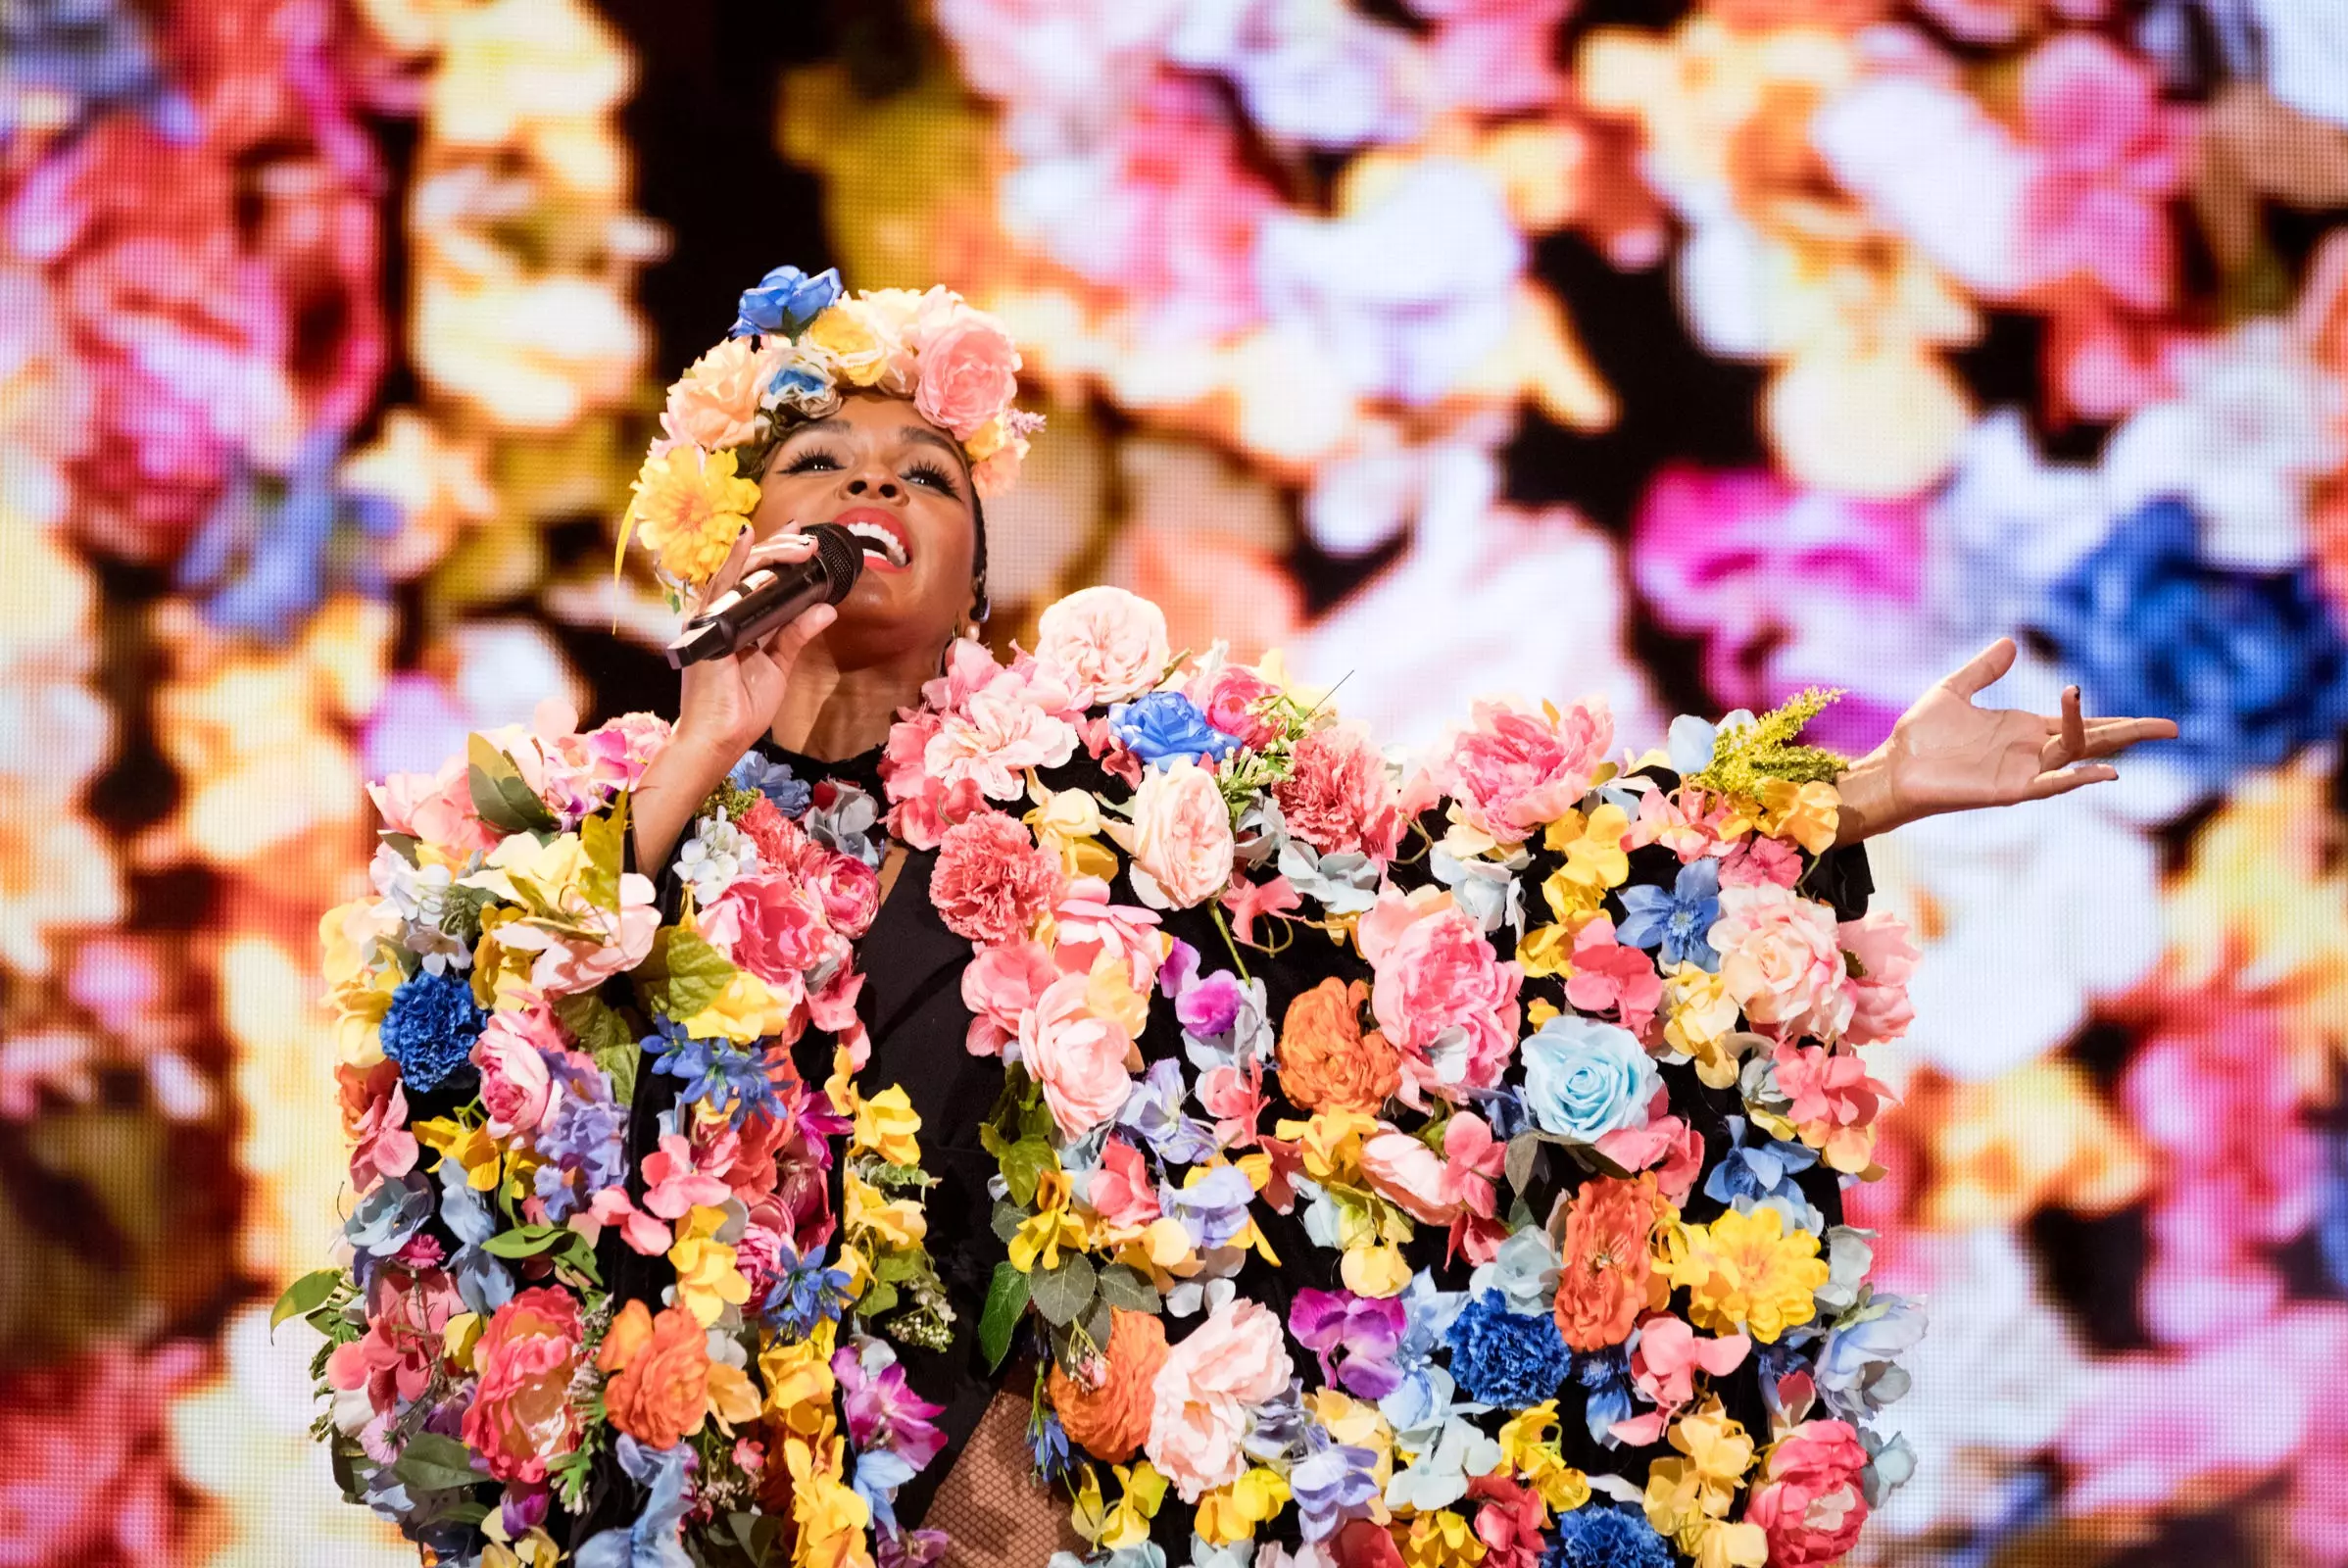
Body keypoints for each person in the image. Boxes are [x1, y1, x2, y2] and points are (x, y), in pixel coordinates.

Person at [603, 268, 2177, 1563]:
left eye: (928, 473)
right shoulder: (582, 822)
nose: (876, 480)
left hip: (1029, 1506)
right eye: (820, 462)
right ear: (725, 531)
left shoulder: (1122, 774)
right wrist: (699, 753)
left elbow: (1472, 872)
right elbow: (540, 1081)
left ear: (975, 596)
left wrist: (1863, 793)